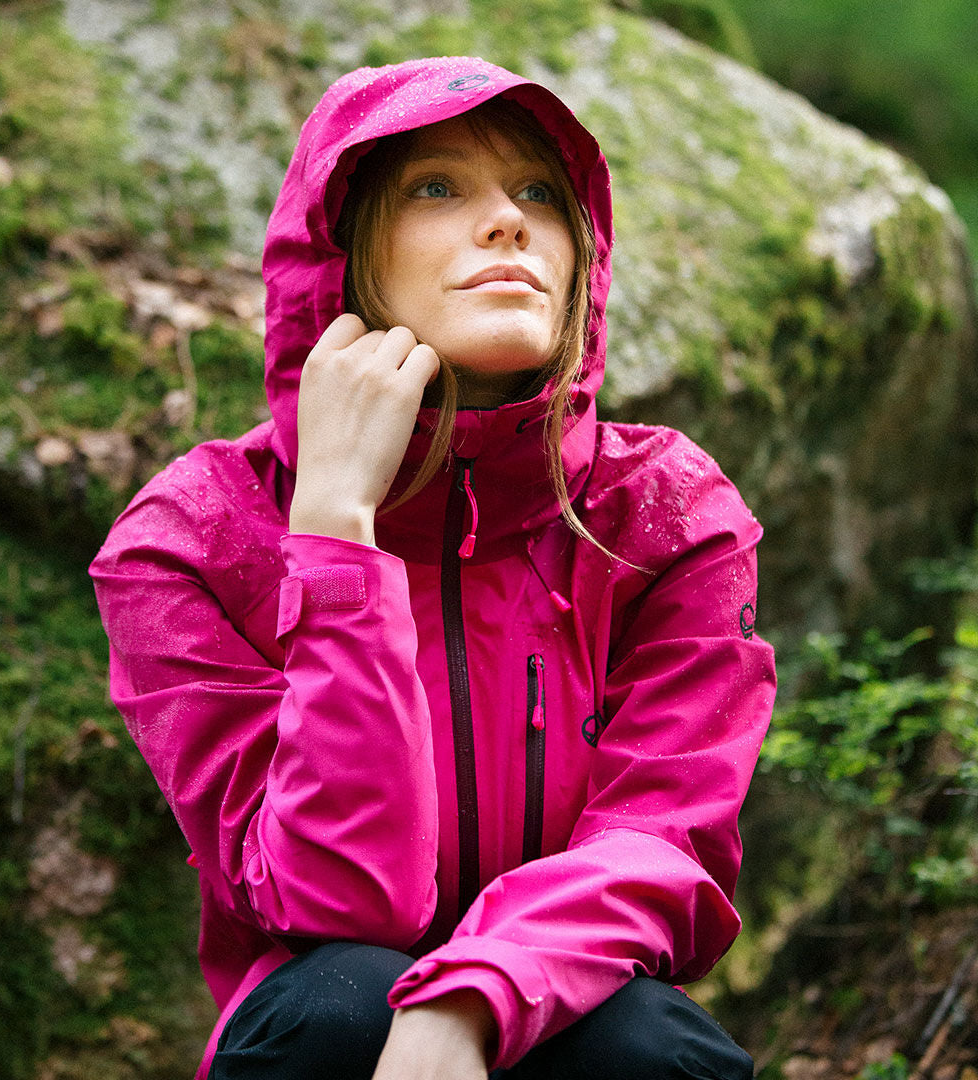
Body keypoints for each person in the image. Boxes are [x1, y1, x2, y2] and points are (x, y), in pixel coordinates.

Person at [90, 56, 776, 1080]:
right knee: (342, 1000)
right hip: (334, 1038)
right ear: (343, 253)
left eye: (540, 192)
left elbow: (657, 850)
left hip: (574, 1008)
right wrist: (334, 528)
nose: (508, 223)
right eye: (438, 186)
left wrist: (471, 1002)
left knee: (646, 1046)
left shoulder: (666, 515)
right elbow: (337, 898)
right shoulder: (191, 541)